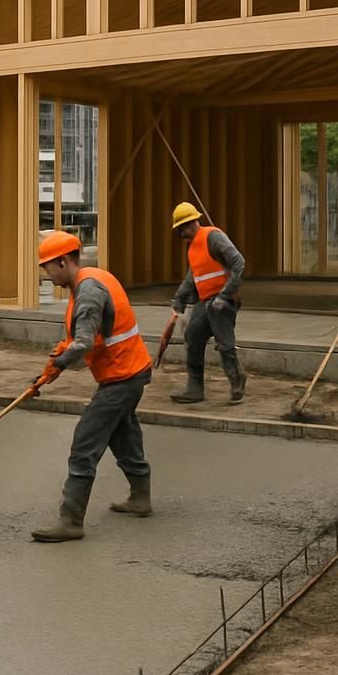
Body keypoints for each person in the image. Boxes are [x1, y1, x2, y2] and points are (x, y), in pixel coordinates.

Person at [30, 231, 154, 543]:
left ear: (62, 261)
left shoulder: (87, 293)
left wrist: (59, 365)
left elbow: (82, 343)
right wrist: (46, 375)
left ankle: (71, 520)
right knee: (122, 433)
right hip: (129, 372)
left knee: (85, 442)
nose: (46, 274)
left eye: (47, 268)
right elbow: (74, 342)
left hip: (122, 377)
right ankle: (141, 497)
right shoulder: (90, 280)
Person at [168, 202, 248, 404]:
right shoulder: (193, 247)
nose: (181, 233)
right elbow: (193, 276)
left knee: (224, 343)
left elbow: (239, 262)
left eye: (182, 229)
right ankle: (194, 388)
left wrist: (225, 295)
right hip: (207, 302)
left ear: (191, 223)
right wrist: (180, 298)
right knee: (193, 336)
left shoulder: (213, 237)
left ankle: (237, 380)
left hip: (223, 301)